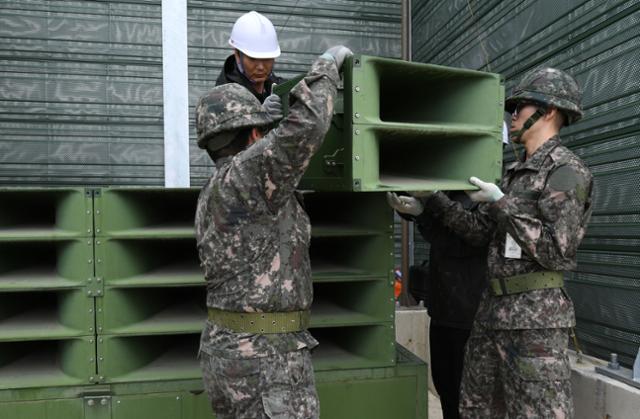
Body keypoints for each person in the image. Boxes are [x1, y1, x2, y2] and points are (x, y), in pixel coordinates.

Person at [416, 67, 593, 418]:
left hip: (535, 322)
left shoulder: (566, 171)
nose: (513, 116)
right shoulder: (514, 173)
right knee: (476, 407)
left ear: (549, 112)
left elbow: (557, 250)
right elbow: (480, 233)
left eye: (521, 108)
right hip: (492, 312)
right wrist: (432, 200)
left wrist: (500, 203)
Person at [194, 45, 352, 419]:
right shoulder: (248, 175)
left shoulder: (214, 189)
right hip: (268, 361)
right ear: (252, 133)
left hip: (230, 353)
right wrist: (326, 66)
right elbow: (311, 124)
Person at [387, 191, 488, 419]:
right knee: (446, 387)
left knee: (467, 396)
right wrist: (419, 213)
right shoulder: (451, 191)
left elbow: (466, 241)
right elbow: (441, 237)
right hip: (444, 309)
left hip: (471, 316)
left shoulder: (482, 195)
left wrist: (428, 207)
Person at [216, 10, 284, 103]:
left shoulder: (283, 89)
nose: (260, 67)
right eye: (253, 59)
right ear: (237, 54)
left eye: (267, 59)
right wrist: (264, 115)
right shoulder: (221, 98)